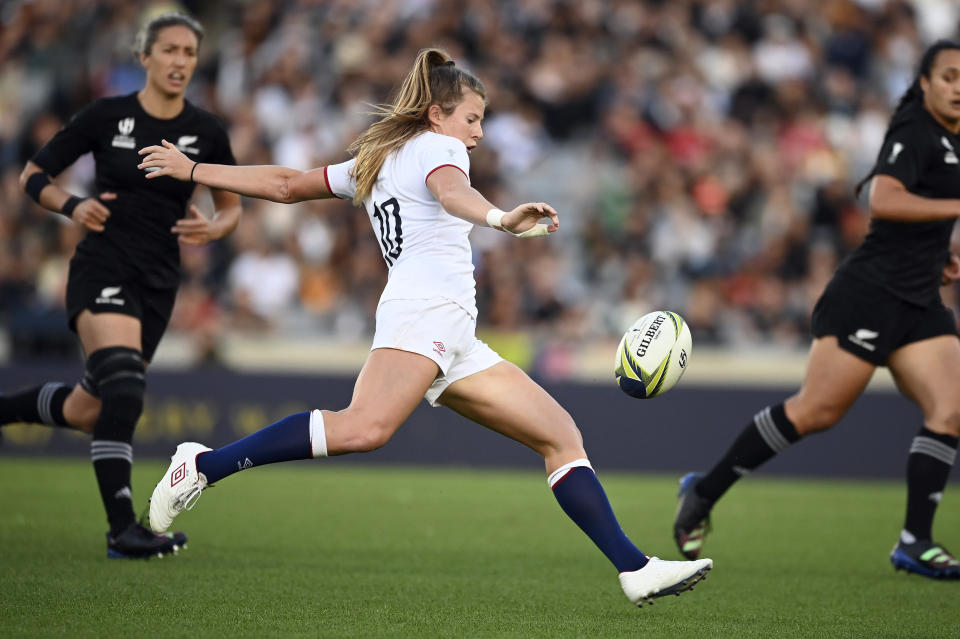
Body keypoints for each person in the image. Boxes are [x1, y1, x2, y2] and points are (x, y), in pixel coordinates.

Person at [136, 47, 712, 606]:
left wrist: (194, 170)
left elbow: (288, 185)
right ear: (438, 115)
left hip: (453, 331)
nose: (478, 132)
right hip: (424, 312)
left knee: (559, 435)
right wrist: (500, 218)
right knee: (364, 429)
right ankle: (202, 466)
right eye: (472, 118)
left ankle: (635, 569)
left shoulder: (380, 159)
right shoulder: (439, 148)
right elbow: (451, 191)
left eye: (481, 121)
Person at [673, 40, 960, 580]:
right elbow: (883, 199)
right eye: (948, 76)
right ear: (924, 84)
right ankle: (704, 490)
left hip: (920, 298)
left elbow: (916, 215)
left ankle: (914, 540)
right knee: (816, 413)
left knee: (951, 409)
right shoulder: (916, 131)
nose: (958, 86)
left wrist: (940, 251)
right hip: (871, 294)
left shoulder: (952, 140)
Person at [5, 12, 242, 559]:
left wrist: (214, 226)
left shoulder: (206, 130)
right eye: (171, 50)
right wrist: (72, 205)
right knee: (126, 388)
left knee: (91, 408)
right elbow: (33, 175)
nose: (181, 61)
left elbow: (230, 208)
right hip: (101, 267)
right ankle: (123, 532)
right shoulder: (106, 115)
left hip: (159, 282)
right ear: (145, 57)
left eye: (189, 53)